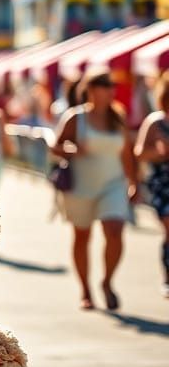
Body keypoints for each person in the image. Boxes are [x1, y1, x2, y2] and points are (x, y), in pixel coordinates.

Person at [51, 67, 138, 311]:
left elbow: (127, 153)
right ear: (91, 90)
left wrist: (134, 182)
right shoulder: (75, 117)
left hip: (113, 185)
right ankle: (86, 291)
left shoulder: (117, 117)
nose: (112, 90)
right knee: (82, 237)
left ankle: (107, 282)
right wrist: (73, 150)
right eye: (106, 85)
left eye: (112, 86)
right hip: (80, 187)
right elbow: (55, 147)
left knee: (115, 229)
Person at [133, 71, 169, 297]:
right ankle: (168, 276)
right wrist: (158, 153)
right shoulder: (156, 121)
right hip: (162, 183)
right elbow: (139, 152)